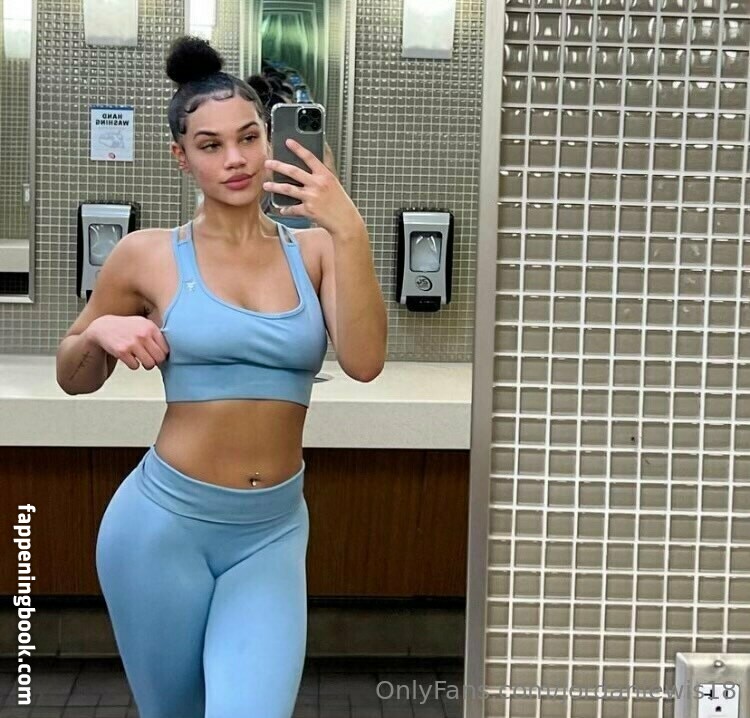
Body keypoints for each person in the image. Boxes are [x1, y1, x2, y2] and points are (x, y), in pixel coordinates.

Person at [55, 34, 386, 718]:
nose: (235, 159)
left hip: (272, 532)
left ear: (270, 139)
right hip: (160, 530)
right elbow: (72, 376)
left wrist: (349, 226)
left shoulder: (318, 250)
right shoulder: (145, 255)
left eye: (248, 137)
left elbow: (364, 362)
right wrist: (98, 331)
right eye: (210, 145)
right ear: (181, 156)